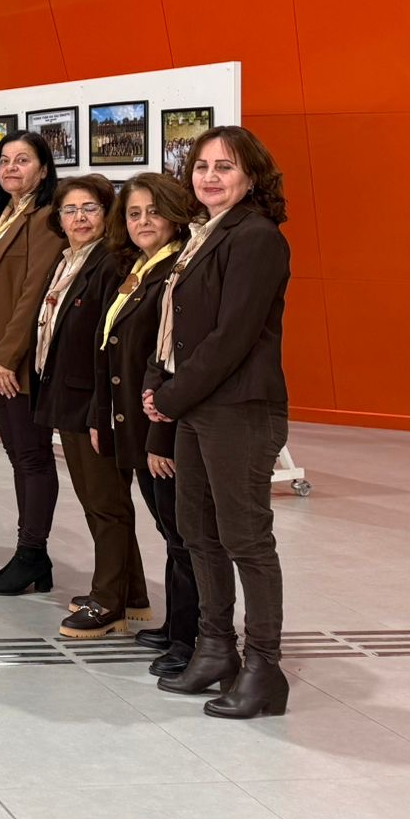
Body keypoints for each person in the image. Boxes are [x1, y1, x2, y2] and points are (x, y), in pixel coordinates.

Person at [145, 126, 294, 719]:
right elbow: (178, 328)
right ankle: (214, 649)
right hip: (199, 405)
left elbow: (232, 336)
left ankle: (265, 668)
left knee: (245, 539)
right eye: (202, 166)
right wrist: (161, 386)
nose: (210, 176)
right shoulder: (201, 235)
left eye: (224, 167)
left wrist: (172, 396)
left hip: (240, 409)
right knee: (197, 532)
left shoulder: (256, 238)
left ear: (251, 177)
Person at [27, 176, 148, 639]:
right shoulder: (69, 261)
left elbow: (110, 347)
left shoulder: (112, 263)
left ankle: (108, 602)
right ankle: (131, 592)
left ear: (107, 214)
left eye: (90, 209)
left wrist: (103, 412)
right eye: (69, 210)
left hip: (94, 402)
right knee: (101, 500)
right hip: (69, 396)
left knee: (105, 503)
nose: (79, 218)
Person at [94, 171, 197, 678]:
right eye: (134, 214)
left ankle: (191, 638)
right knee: (169, 530)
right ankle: (178, 623)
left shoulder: (179, 270)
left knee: (185, 536)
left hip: (164, 430)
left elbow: (174, 364)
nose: (143, 222)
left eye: (153, 212)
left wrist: (161, 436)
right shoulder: (137, 269)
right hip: (137, 424)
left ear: (175, 215)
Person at [0, 130, 66, 595]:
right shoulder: (2, 217)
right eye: (4, 160)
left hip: (16, 360)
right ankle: (30, 555)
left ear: (44, 169)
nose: (11, 168)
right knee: (19, 455)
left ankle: (32, 554)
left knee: (32, 457)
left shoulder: (44, 219)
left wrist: (8, 354)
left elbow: (33, 291)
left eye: (23, 160)